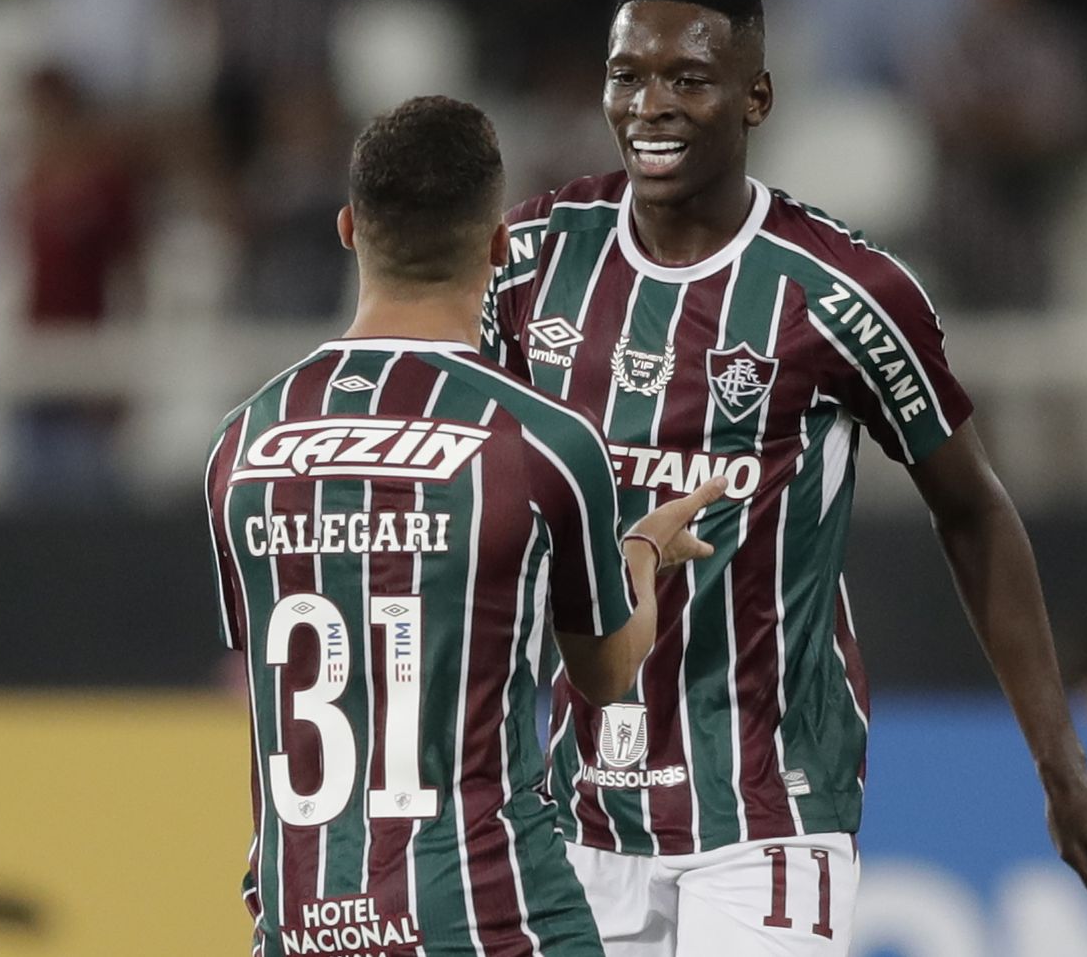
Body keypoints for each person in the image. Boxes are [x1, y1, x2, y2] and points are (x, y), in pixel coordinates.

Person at [483, 0, 1087, 953]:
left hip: (771, 805)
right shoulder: (533, 258)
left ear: (756, 96)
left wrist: (1062, 768)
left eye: (688, 78)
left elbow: (971, 507)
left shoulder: (843, 292)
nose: (651, 105)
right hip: (573, 814)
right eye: (628, 75)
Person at [205, 95, 726, 956]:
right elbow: (604, 672)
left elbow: (263, 688)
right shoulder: (545, 442)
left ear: (347, 228)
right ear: (496, 245)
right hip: (491, 920)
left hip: (301, 922)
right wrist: (643, 552)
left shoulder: (243, 441)